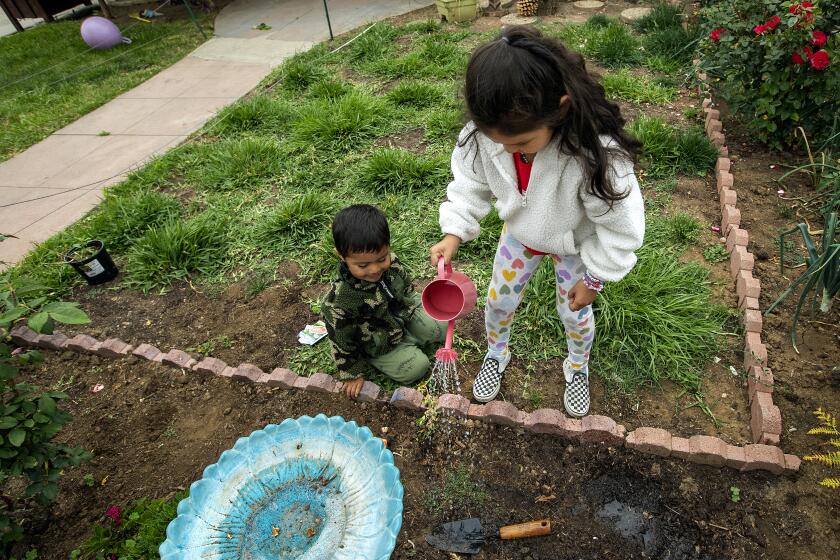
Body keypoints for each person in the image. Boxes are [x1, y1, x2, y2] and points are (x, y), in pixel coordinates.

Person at [429, 25, 645, 417]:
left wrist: (594, 277)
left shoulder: (596, 157)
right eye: (499, 143)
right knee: (499, 301)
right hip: (520, 235)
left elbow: (620, 228)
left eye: (521, 143)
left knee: (575, 313)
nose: (510, 150)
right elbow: (469, 183)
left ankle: (577, 366)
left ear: (559, 109)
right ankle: (496, 352)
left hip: (575, 245)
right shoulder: (484, 137)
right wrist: (454, 231)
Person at [322, 204, 446, 398]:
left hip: (404, 316)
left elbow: (406, 287)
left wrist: (415, 306)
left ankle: (414, 334)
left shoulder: (393, 263)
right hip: (379, 344)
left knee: (443, 327)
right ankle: (386, 355)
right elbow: (341, 341)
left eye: (381, 259)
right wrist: (352, 372)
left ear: (388, 247)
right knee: (417, 368)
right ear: (341, 255)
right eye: (362, 265)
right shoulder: (339, 302)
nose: (374, 270)